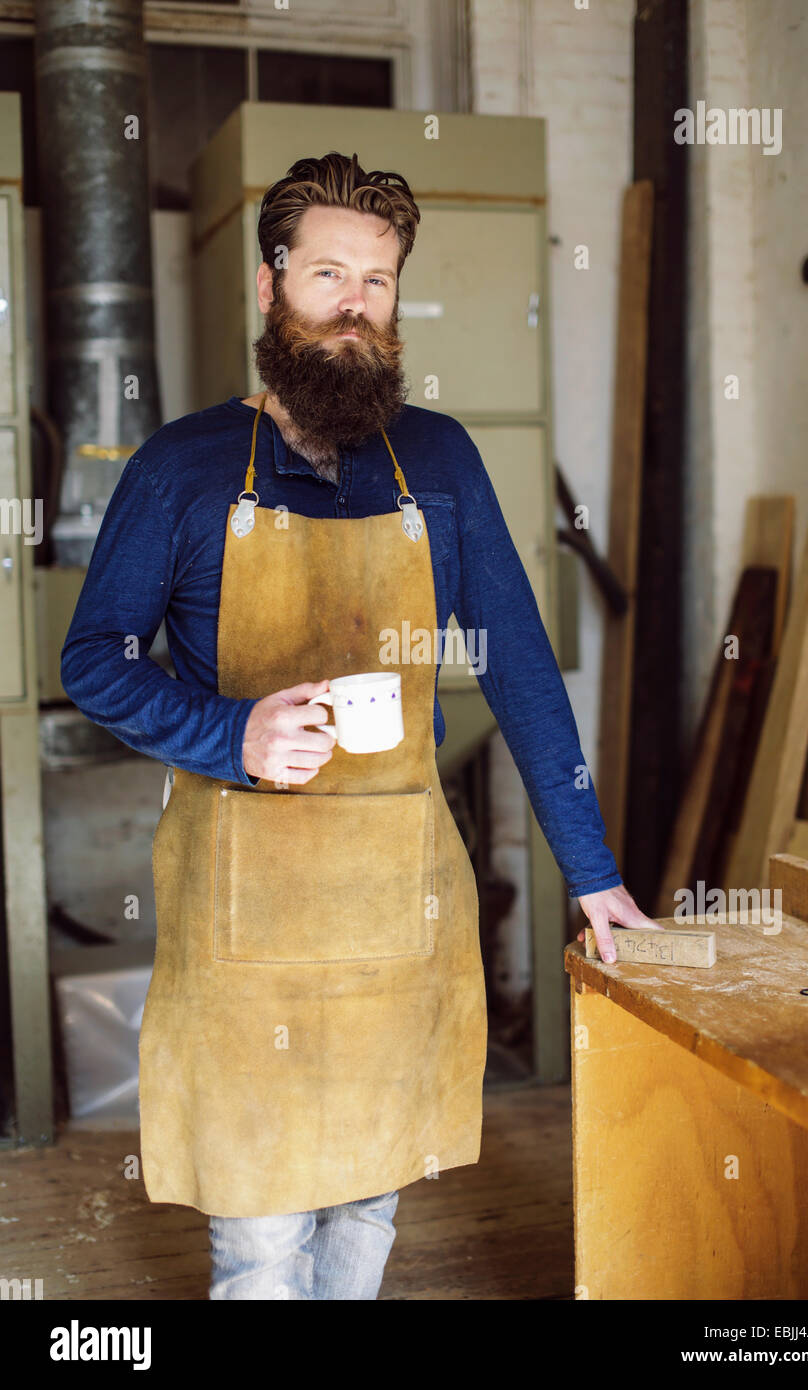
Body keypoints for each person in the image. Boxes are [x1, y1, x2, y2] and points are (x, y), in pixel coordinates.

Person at [61, 151, 659, 1301]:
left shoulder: (436, 461)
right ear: (268, 284)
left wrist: (590, 872)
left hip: (396, 903)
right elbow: (95, 659)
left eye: (376, 282)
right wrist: (229, 734)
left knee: (368, 1201)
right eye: (327, 272)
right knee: (263, 1236)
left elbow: (522, 668)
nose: (352, 303)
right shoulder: (183, 466)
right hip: (243, 916)